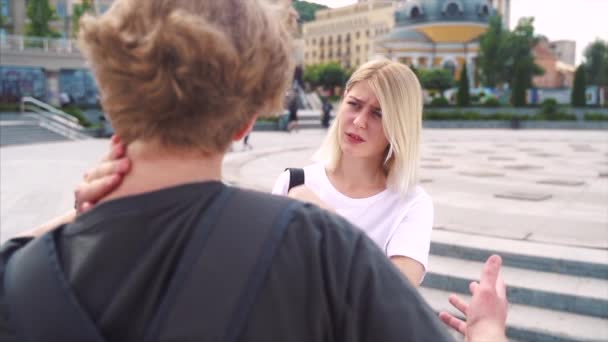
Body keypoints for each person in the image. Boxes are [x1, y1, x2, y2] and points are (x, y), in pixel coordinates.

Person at [0, 0, 509, 341]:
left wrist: (73, 219)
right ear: (250, 116)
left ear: (110, 94)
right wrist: (486, 328)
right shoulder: (326, 253)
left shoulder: (20, 271)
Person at [272, 60, 431, 287]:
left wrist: (327, 220)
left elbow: (396, 294)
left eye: (378, 114)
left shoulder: (411, 204)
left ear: (400, 124)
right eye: (354, 104)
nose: (359, 121)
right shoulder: (294, 182)